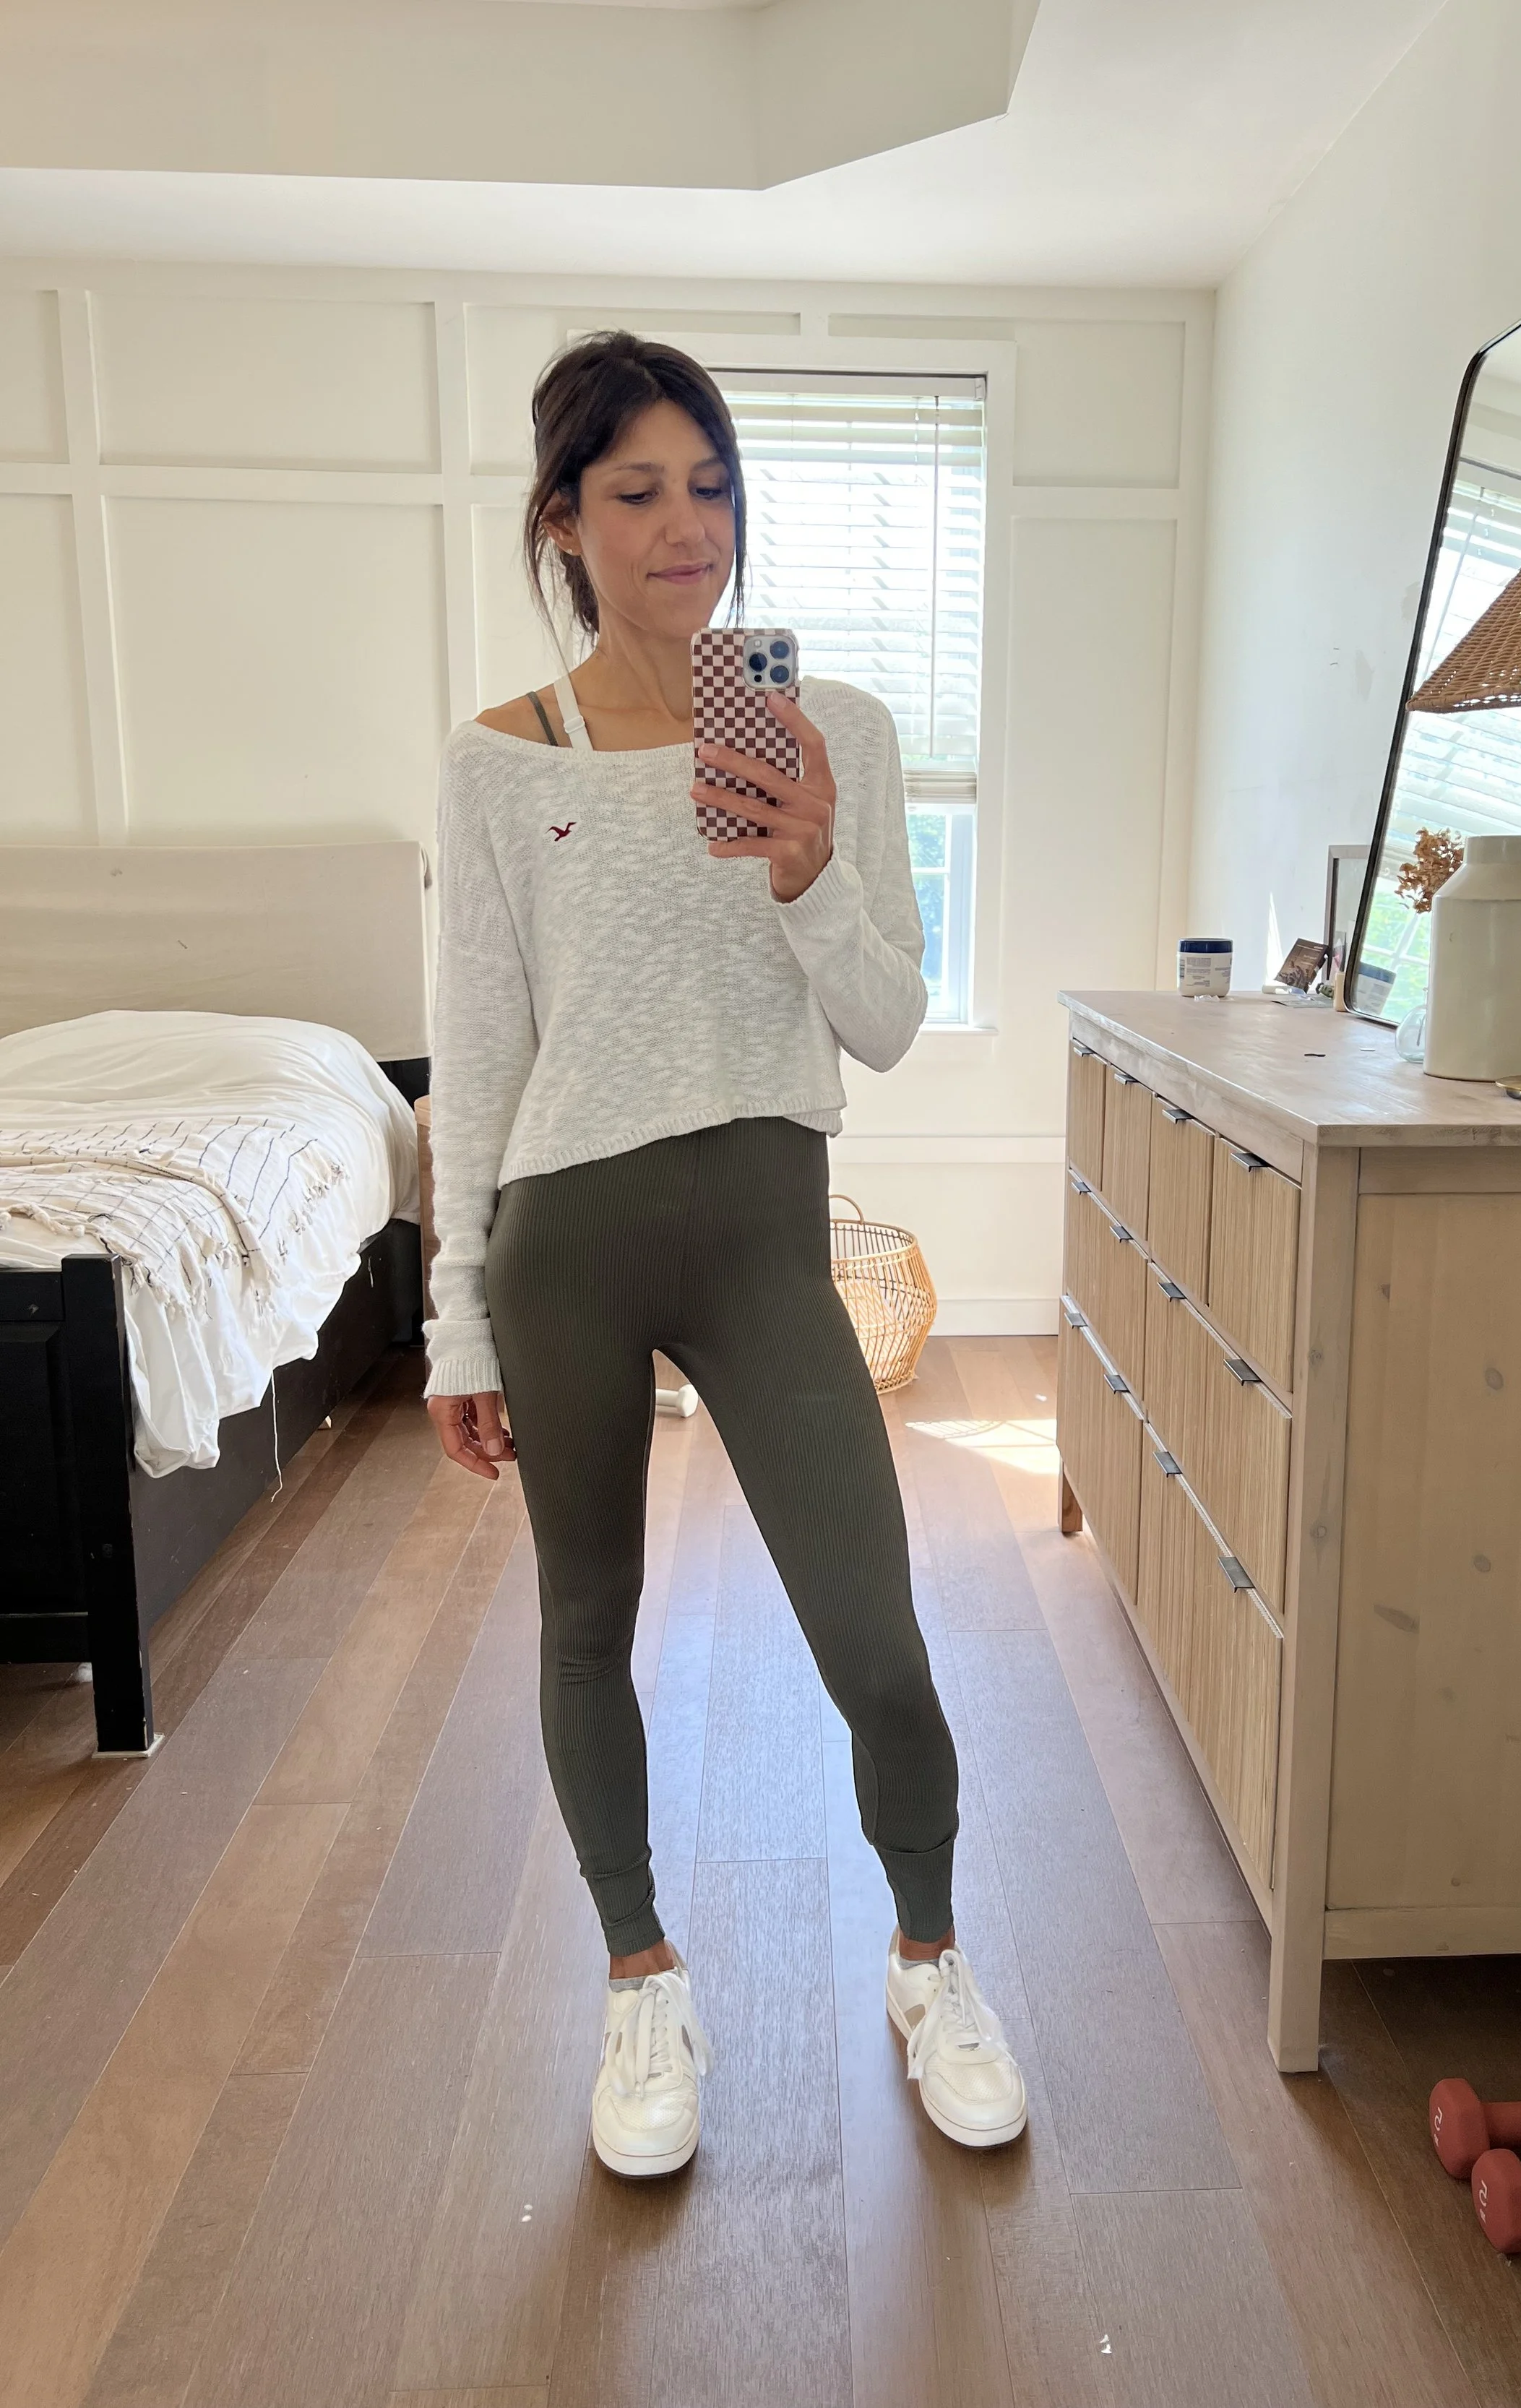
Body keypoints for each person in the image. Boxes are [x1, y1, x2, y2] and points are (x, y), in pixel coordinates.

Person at [423, 332, 1027, 2178]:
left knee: (877, 1637)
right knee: (584, 1622)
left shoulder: (832, 729)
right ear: (562, 520)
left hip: (766, 1236)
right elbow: (479, 1056)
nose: (685, 526)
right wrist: (457, 1322)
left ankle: (927, 1963)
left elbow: (885, 1022)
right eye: (636, 492)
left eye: (709, 485)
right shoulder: (497, 761)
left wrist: (807, 870)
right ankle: (639, 1978)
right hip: (564, 1249)